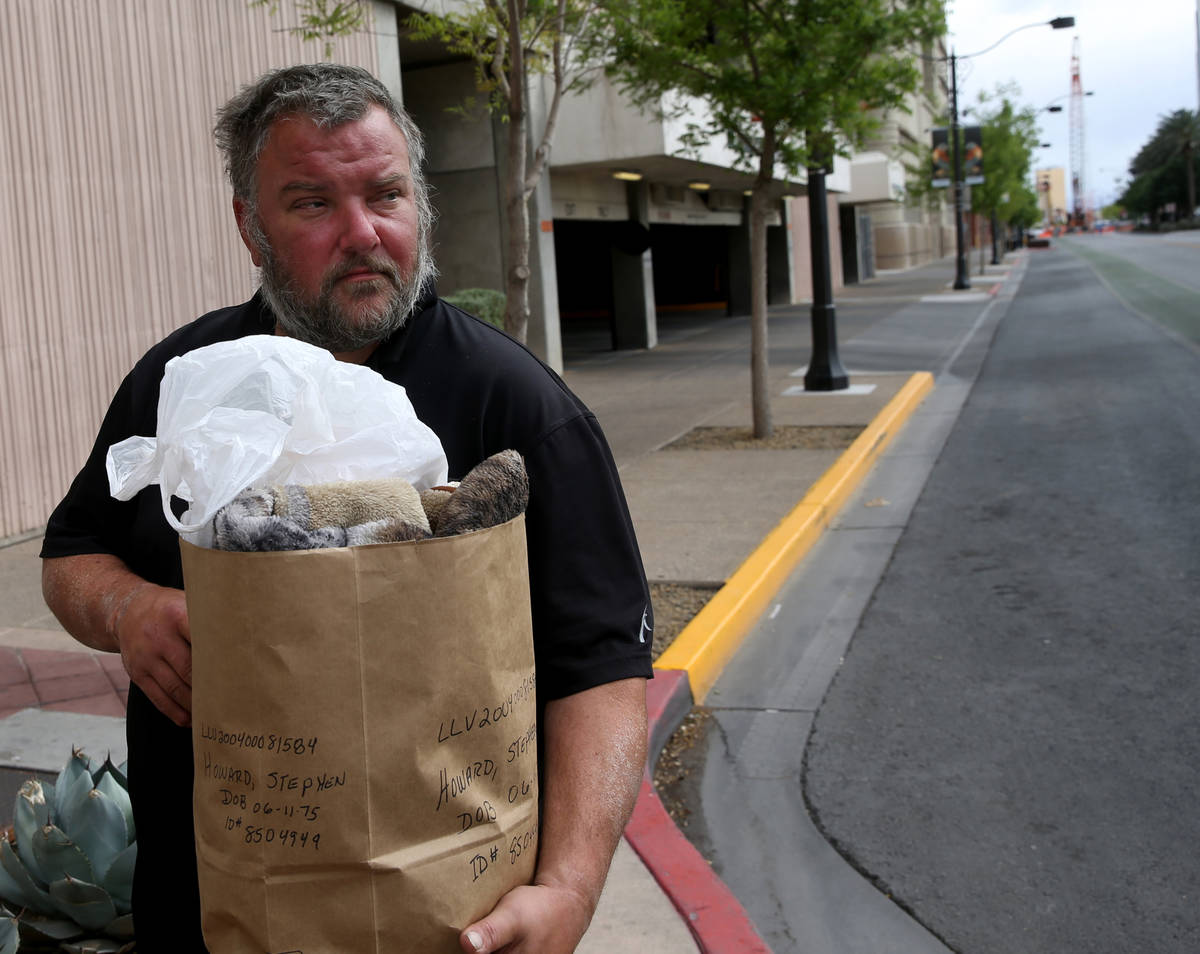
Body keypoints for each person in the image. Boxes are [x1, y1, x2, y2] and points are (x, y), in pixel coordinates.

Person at [40, 63, 653, 954]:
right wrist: (128, 608)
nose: (364, 233)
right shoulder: (186, 386)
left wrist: (568, 887)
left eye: (386, 194)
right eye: (313, 204)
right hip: (209, 911)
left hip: (442, 922)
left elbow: (599, 671)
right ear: (251, 228)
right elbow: (70, 557)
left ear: (421, 208)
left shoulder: (518, 409)